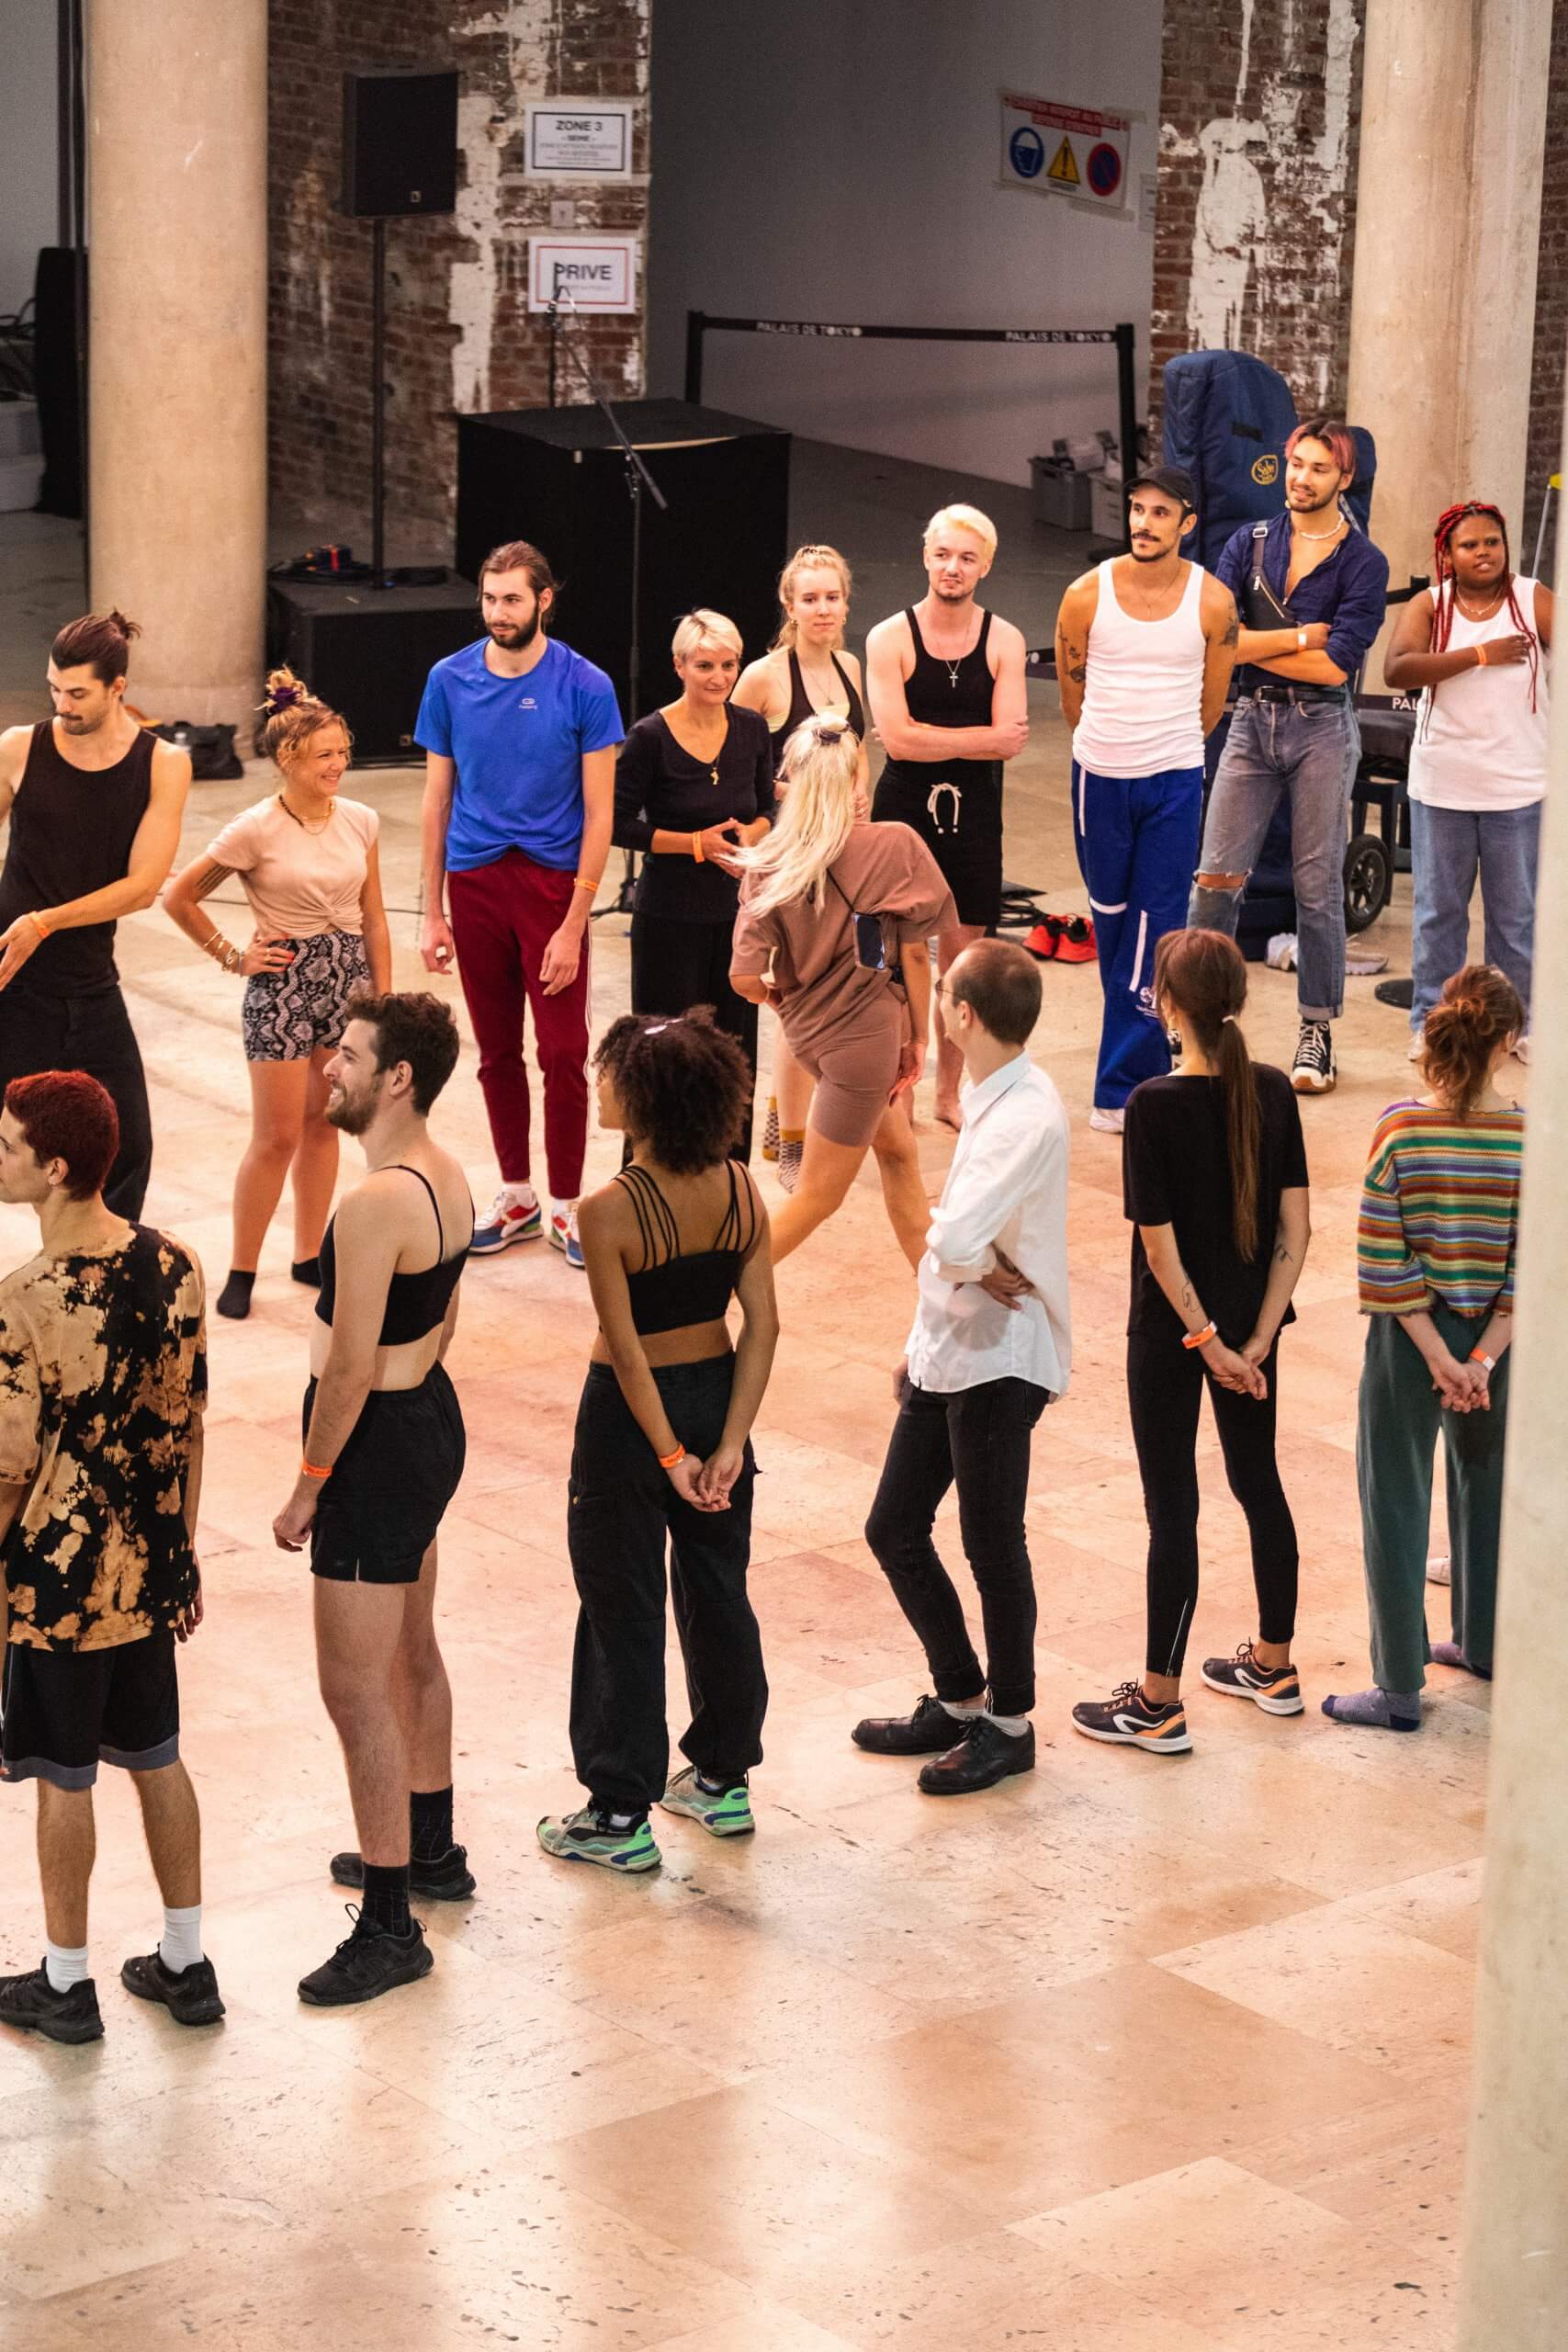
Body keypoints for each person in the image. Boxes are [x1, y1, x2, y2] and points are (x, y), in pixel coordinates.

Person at [0, 1071, 220, 2042]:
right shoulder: (177, 1264)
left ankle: (67, 1981)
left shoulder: (25, 1301)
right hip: (150, 1567)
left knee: (65, 1773)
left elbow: (8, 1474)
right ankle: (186, 1960)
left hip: (59, 1581)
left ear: (54, 1169)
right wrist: (183, 1554)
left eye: (8, 1146)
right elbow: (192, 1423)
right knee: (158, 1757)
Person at [537, 1011, 778, 1873]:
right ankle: (721, 1779)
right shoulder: (743, 1187)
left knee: (619, 1603)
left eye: (610, 1075)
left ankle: (616, 1814)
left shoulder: (607, 1211)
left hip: (630, 1423)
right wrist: (729, 1445)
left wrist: (670, 1457)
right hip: (719, 1401)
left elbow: (627, 1351)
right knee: (718, 1588)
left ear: (640, 1099)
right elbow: (763, 1326)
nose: (598, 1085)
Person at [271, 993, 473, 2006]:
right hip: (429, 1424)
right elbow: (437, 1327)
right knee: (410, 1649)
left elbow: (348, 1367)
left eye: (348, 1056)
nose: (329, 1069)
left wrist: (311, 1485)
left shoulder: (371, 1205)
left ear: (398, 1077)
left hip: (375, 1446)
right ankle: (431, 1850)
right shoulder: (449, 1174)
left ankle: (391, 1926)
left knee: (352, 1690)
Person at [1071, 928, 1310, 1755]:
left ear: (1169, 1005)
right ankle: (1274, 1667)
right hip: (1253, 1331)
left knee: (1171, 1506)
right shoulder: (1274, 1091)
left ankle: (1157, 1702)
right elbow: (1295, 1230)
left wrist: (1206, 1341)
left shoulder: (1152, 1105)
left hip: (1174, 1338)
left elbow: (1159, 1246)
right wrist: (1257, 1336)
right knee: (1259, 1484)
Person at [853, 940, 1070, 1794]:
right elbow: (960, 1247)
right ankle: (960, 1696)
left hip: (1001, 1359)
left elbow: (947, 1236)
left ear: (963, 1014)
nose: (932, 999)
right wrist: (922, 1336)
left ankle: (1008, 1725)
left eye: (941, 992)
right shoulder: (990, 1091)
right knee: (894, 1528)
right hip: (952, 1346)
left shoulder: (1026, 1115)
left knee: (990, 1542)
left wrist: (962, 1250)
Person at [1325, 965, 1522, 1732]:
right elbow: (1527, 1269)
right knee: (1488, 1487)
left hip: (1411, 1340)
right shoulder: (1529, 1138)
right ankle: (1483, 1643)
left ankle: (1398, 1686)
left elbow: (1381, 1256)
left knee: (1396, 1498)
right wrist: (1478, 1359)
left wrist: (1438, 1355)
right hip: (1495, 1346)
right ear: (1507, 1042)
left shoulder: (1401, 1129)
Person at [415, 540, 623, 1268]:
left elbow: (601, 814)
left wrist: (574, 922)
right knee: (496, 1052)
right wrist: (431, 911)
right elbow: (436, 799)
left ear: (544, 600)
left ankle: (566, 1203)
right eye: (489, 598)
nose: (498, 612)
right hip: (474, 883)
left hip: (550, 888)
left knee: (563, 1052)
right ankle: (517, 1195)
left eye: (512, 599)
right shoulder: (448, 679)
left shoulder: (586, 685)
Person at [164, 668, 391, 1319]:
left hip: (345, 980)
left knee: (325, 1124)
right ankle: (241, 1268)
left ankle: (307, 1254)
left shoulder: (362, 820)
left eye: (343, 752)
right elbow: (180, 896)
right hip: (283, 984)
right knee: (275, 1135)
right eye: (326, 755)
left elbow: (374, 916)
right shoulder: (254, 827)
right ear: (287, 758)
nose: (339, 765)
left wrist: (382, 999)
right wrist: (233, 956)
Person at [1189, 417, 1391, 1097]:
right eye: (1295, 465)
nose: (1301, 479)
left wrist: (1260, 642)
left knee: (1315, 889)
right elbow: (1216, 640)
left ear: (1344, 478)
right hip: (1249, 721)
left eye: (1317, 469)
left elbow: (1336, 669)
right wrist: (1300, 633)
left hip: (1321, 730)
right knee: (1214, 879)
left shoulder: (1363, 562)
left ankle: (1316, 1031)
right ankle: (1198, 1024)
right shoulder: (1245, 543)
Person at [730, 715, 953, 1269]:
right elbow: (913, 957)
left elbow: (743, 979)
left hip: (807, 1035)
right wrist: (921, 1038)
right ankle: (712, 1299)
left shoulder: (769, 864)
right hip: (866, 1046)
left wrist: (783, 1002)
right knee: (816, 1197)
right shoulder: (897, 846)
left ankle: (938, 1289)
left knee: (900, 1153)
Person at [1055, 466, 1239, 1134]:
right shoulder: (1083, 594)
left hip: (1173, 778)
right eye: (1137, 510)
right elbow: (1071, 698)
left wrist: (1165, 752)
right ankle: (1144, 1033)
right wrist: (1112, 748)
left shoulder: (1213, 602)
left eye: (1160, 513)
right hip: (1098, 779)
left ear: (1187, 524)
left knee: (1153, 925)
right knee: (1111, 923)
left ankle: (1119, 1087)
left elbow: (1212, 703)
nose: (1143, 523)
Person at [0, 611, 191, 1217]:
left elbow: (141, 887)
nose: (62, 704)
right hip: (11, 983)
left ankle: (103, 1287)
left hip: (88, 984)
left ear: (117, 689)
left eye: (78, 693)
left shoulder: (162, 764)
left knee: (127, 1145)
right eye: (55, 689)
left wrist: (45, 921)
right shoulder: (19, 748)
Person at [866, 506, 1030, 1129]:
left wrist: (925, 735)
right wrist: (974, 737)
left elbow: (1009, 741)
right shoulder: (889, 636)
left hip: (975, 813)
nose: (951, 568)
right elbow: (896, 741)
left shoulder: (1004, 639)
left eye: (965, 558)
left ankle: (946, 1093)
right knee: (890, 955)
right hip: (903, 811)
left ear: (983, 566)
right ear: (924, 556)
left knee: (963, 965)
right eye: (942, 554)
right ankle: (895, 1083)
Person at [1384, 503, 1551, 1064]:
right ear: (1448, 555)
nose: (1483, 552)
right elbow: (1398, 668)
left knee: (1515, 918)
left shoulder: (1533, 600)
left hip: (1518, 787)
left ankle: (1516, 1026)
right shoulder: (1430, 604)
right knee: (1439, 914)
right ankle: (1432, 1023)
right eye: (1469, 545)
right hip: (1443, 786)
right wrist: (1480, 654)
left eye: (1492, 542)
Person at [612, 612, 774, 1156]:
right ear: (679, 666)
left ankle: (729, 1178)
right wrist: (693, 844)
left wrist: (749, 835)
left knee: (734, 1052)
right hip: (670, 919)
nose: (719, 676)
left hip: (737, 917)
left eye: (729, 665)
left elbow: (766, 808)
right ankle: (649, 1176)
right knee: (663, 1054)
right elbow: (616, 823)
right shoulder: (649, 737)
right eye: (705, 665)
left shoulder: (751, 728)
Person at [735, 544, 869, 1191]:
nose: (822, 608)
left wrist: (859, 805)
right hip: (793, 856)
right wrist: (803, 797)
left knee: (836, 993)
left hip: (842, 852)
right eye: (809, 598)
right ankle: (792, 1143)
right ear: (789, 605)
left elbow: (857, 753)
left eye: (831, 597)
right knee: (796, 997)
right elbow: (734, 765)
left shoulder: (849, 665)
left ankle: (787, 1114)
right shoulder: (764, 676)